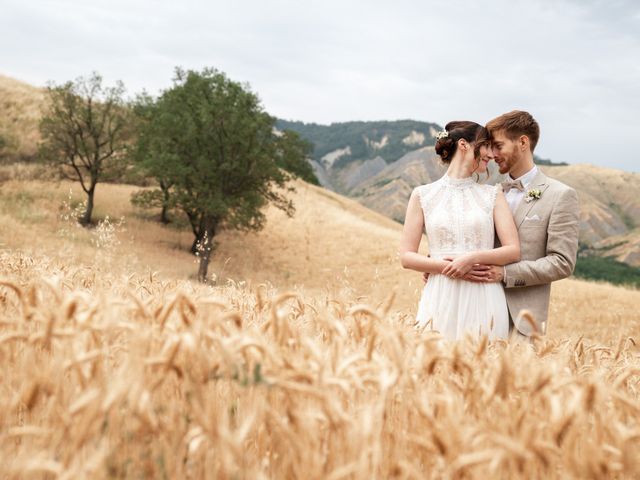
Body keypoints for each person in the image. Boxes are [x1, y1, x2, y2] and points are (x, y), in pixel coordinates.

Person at [460, 111, 580, 337]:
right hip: (475, 309)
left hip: (522, 322)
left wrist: (505, 273)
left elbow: (562, 262)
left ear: (523, 142)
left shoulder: (561, 195)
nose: (492, 154)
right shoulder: (490, 193)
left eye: (498, 146)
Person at [399, 121, 520, 340]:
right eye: (486, 146)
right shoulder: (422, 195)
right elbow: (406, 257)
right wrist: (447, 266)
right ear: (464, 145)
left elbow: (513, 250)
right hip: (440, 294)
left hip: (484, 294)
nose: (492, 155)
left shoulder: (493, 195)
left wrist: (471, 259)